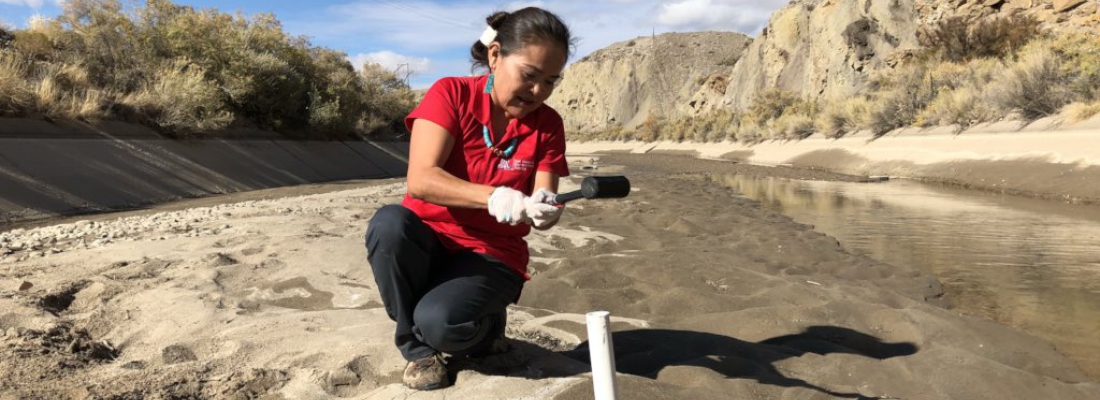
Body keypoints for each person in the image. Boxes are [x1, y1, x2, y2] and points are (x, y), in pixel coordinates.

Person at [364, 7, 574, 391]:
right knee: (389, 224)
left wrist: (544, 210)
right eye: (529, 76)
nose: (538, 92)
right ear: (495, 55)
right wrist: (496, 196)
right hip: (428, 240)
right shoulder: (450, 93)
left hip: (493, 253)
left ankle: (487, 325)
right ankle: (417, 351)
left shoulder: (549, 124)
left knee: (442, 323)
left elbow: (545, 195)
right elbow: (421, 180)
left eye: (551, 81)